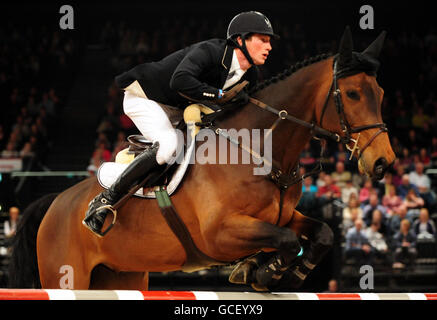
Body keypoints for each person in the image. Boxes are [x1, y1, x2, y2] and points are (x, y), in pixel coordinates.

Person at [83, 11, 279, 237]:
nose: (269, 47)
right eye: (263, 40)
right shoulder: (211, 51)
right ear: (240, 40)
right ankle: (104, 200)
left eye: (270, 41)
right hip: (147, 98)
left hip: (178, 109)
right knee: (168, 146)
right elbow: (180, 80)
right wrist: (219, 96)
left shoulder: (251, 76)